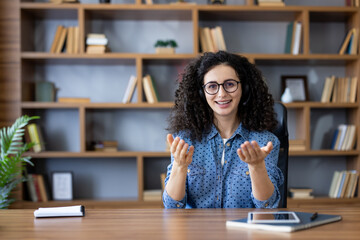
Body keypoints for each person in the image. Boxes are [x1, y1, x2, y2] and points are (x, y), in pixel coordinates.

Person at [163, 51, 284, 208]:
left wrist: (257, 167)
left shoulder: (264, 142)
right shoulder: (185, 140)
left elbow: (267, 206)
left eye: (230, 84)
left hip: (245, 230)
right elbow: (172, 206)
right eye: (212, 86)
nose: (221, 94)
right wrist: (179, 167)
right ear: (201, 93)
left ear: (245, 89)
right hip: (196, 231)